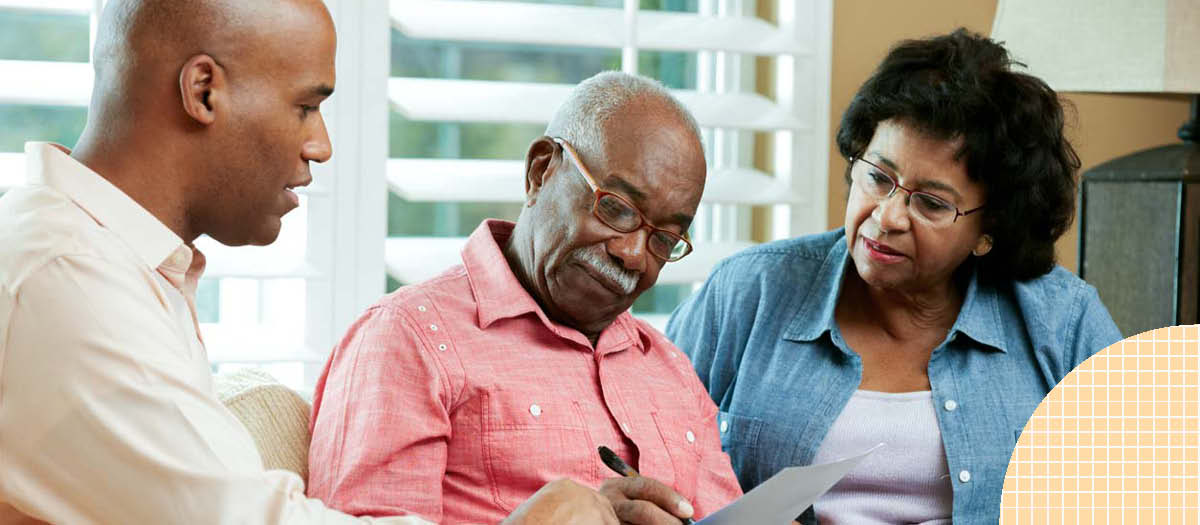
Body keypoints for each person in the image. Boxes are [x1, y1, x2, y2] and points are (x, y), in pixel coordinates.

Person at [0, 1, 616, 523]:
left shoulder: (109, 260)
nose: (320, 145)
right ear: (203, 91)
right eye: (305, 105)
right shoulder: (64, 275)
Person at [666, 29, 1122, 524]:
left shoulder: (1062, 321)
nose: (887, 217)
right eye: (878, 178)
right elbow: (651, 455)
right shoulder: (748, 292)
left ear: (989, 229)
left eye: (930, 203)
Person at [306, 71, 743, 525]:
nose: (633, 255)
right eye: (615, 208)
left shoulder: (670, 368)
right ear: (540, 171)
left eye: (664, 239)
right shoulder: (407, 339)